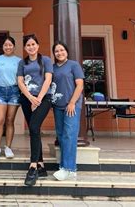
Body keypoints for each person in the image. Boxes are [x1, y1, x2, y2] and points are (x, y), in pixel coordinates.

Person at [17, 34, 53, 187]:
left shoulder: (45, 60)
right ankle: (41, 166)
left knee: (33, 127)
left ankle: (33, 166)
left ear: (38, 45)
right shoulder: (22, 62)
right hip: (27, 99)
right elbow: (19, 81)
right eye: (28, 45)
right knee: (35, 130)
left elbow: (48, 79)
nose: (31, 47)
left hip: (44, 98)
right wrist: (30, 98)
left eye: (33, 44)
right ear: (25, 47)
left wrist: (38, 98)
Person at [51, 41, 84, 181]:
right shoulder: (52, 68)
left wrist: (72, 102)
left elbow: (80, 85)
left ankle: (68, 168)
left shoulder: (73, 65)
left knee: (69, 135)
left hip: (71, 106)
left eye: (62, 50)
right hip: (57, 105)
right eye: (57, 51)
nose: (59, 53)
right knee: (61, 135)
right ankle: (65, 167)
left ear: (67, 51)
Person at [0, 36, 21, 162]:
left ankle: (8, 147)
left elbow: (23, 77)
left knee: (10, 120)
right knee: (0, 119)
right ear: (2, 47)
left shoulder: (19, 61)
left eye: (10, 45)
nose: (8, 47)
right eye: (5, 45)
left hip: (14, 91)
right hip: (0, 91)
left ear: (14, 46)